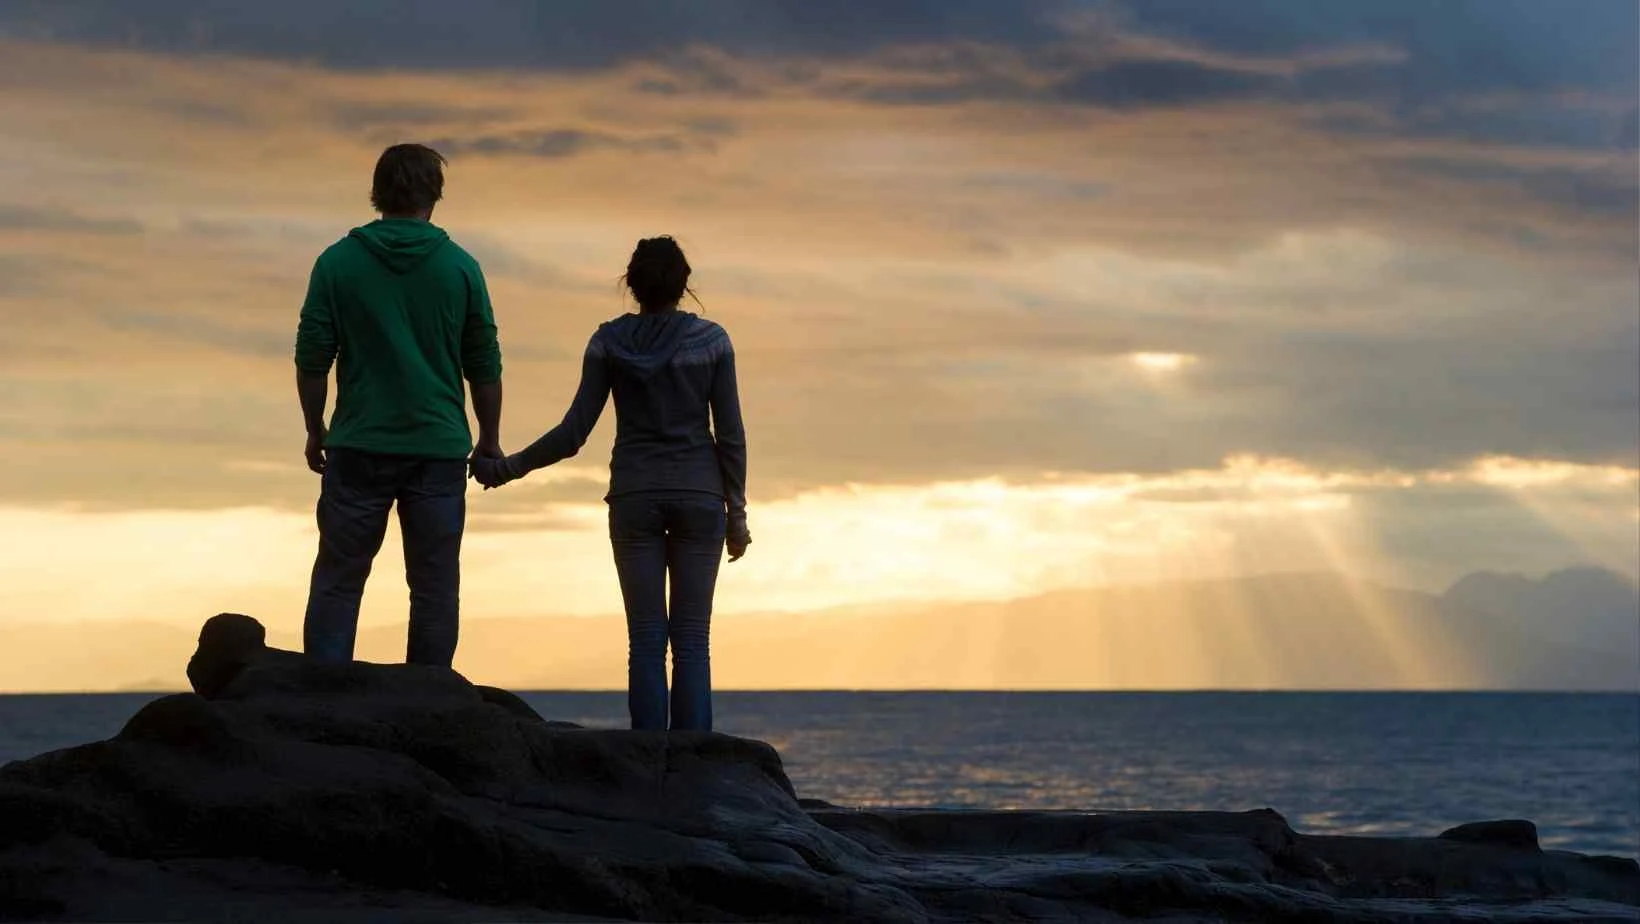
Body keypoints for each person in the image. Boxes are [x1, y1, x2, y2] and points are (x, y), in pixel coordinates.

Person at [472, 236, 749, 731]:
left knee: (645, 636)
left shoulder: (608, 342)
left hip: (634, 497)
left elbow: (573, 433)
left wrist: (509, 466)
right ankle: (698, 771)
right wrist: (738, 516)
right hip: (700, 496)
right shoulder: (712, 343)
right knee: (691, 639)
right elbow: (730, 436)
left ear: (633, 285)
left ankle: (646, 764)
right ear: (684, 285)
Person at [293, 142, 504, 668]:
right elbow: (483, 362)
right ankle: (428, 701)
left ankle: (322, 701)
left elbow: (312, 357)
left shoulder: (337, 263)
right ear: (435, 193)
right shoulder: (460, 268)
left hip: (358, 443)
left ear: (377, 193)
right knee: (433, 586)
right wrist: (489, 438)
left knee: (339, 580)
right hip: (437, 448)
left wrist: (315, 428)